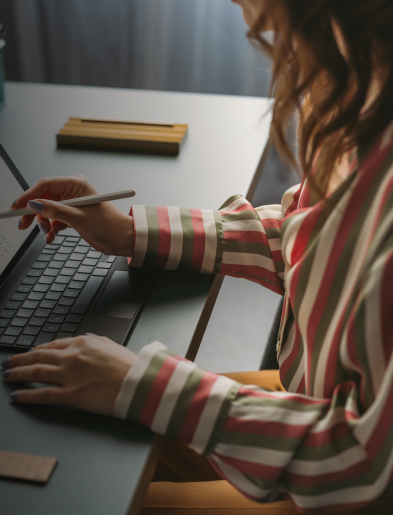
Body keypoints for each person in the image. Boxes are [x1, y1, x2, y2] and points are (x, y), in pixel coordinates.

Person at [2, 0, 393, 513]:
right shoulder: (360, 89)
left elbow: (365, 462)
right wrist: (130, 232)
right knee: (99, 433)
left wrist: (140, 384)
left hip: (344, 480)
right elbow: (304, 236)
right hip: (315, 401)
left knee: (96, 498)